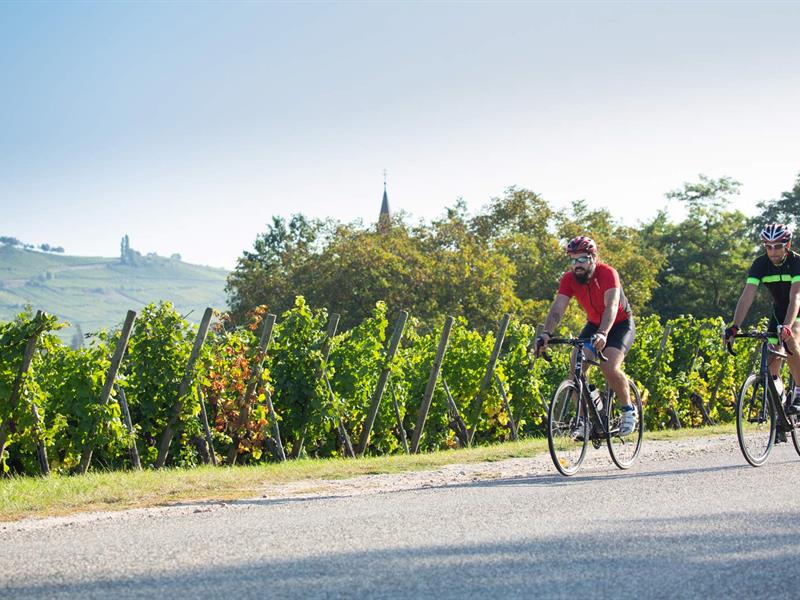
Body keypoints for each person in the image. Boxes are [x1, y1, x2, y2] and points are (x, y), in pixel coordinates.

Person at [535, 236, 637, 438]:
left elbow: (612, 306)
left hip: (619, 324)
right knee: (575, 370)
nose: (576, 265)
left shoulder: (608, 273)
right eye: (572, 260)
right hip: (593, 325)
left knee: (609, 367)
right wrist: (546, 333)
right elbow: (558, 308)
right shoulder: (568, 279)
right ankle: (584, 421)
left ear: (593, 257)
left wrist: (604, 333)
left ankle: (628, 410)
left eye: (581, 259)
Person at [724, 223, 800, 418]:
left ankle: (799, 391)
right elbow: (747, 295)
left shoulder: (796, 263)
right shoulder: (760, 264)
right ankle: (780, 402)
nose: (773, 251)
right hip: (778, 312)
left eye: (777, 246)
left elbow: (796, 297)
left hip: (797, 311)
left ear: (787, 245)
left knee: (791, 341)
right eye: (768, 247)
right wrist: (734, 326)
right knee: (772, 359)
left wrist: (789, 326)